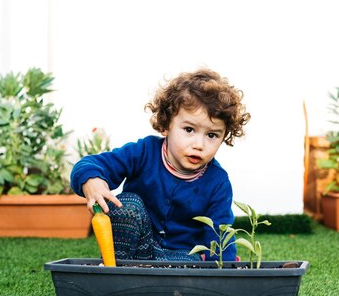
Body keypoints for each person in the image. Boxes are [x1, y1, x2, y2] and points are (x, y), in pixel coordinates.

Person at [70, 68, 250, 261]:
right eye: (189, 129)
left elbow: (220, 233)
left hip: (183, 257)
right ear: (166, 125)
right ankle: (118, 270)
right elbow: (90, 163)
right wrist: (92, 180)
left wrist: (226, 269)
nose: (199, 145)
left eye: (212, 135)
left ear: (224, 137)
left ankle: (167, 280)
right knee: (127, 203)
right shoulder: (143, 152)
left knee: (194, 262)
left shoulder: (218, 181)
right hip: (138, 249)